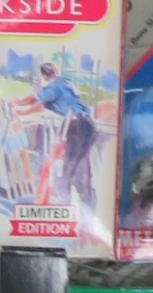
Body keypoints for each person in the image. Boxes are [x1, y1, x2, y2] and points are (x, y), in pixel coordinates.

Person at [15, 60, 99, 211]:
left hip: (77, 125)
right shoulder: (65, 83)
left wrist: (19, 105)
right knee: (79, 164)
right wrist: (23, 109)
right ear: (56, 70)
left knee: (68, 164)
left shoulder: (55, 85)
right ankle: (85, 199)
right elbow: (41, 105)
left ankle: (64, 200)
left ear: (45, 76)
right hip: (88, 126)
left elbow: (35, 100)